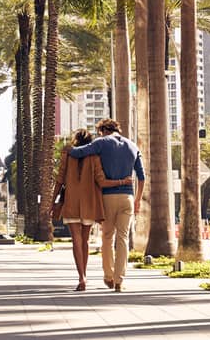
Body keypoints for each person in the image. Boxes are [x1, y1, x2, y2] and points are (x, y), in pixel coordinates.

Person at [66, 118, 144, 291]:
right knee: (123, 238)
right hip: (128, 197)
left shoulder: (101, 143)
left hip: (108, 197)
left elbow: (78, 152)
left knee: (108, 237)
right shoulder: (132, 145)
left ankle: (108, 276)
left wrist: (68, 149)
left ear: (103, 131)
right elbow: (141, 176)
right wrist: (137, 199)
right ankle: (119, 280)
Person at [52, 129, 104, 290]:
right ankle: (84, 274)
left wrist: (52, 202)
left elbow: (60, 179)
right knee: (85, 240)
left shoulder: (67, 155)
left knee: (76, 240)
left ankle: (81, 277)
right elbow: (100, 179)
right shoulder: (94, 156)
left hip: (71, 202)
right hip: (89, 202)